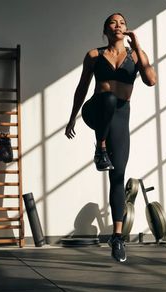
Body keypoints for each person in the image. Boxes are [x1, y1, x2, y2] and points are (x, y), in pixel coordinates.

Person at [65, 12, 156, 262]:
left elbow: (151, 80)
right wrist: (73, 116)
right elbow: (83, 86)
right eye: (113, 23)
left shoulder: (135, 55)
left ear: (126, 29)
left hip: (119, 117)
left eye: (122, 22)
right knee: (107, 97)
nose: (118, 25)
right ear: (105, 30)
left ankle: (117, 237)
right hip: (96, 109)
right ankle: (100, 147)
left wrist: (137, 44)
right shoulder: (94, 55)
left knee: (118, 176)